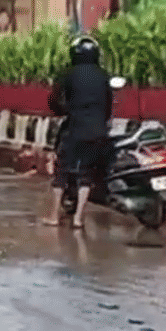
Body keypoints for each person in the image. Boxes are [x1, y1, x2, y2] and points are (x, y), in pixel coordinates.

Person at [43, 35, 113, 229]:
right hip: (98, 131)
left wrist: (64, 110)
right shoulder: (103, 75)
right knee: (86, 174)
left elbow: (54, 100)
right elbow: (109, 106)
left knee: (61, 172)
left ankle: (54, 216)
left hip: (74, 129)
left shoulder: (68, 74)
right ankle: (78, 218)